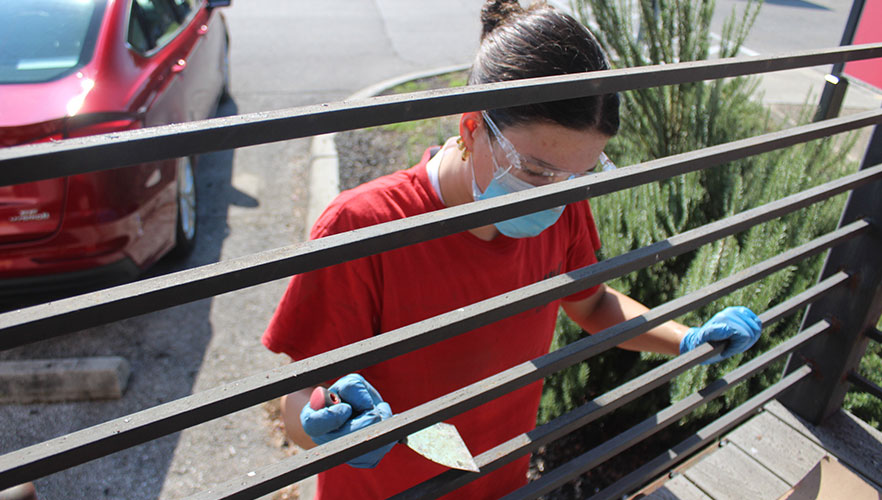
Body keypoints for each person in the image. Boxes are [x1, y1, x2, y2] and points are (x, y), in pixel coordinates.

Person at [262, 1, 762, 499]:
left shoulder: (563, 206)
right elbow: (299, 406)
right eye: (537, 171)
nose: (556, 194)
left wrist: (686, 339)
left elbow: (590, 304)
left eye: (578, 176)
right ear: (470, 128)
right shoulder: (362, 227)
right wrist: (326, 428)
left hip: (501, 484)